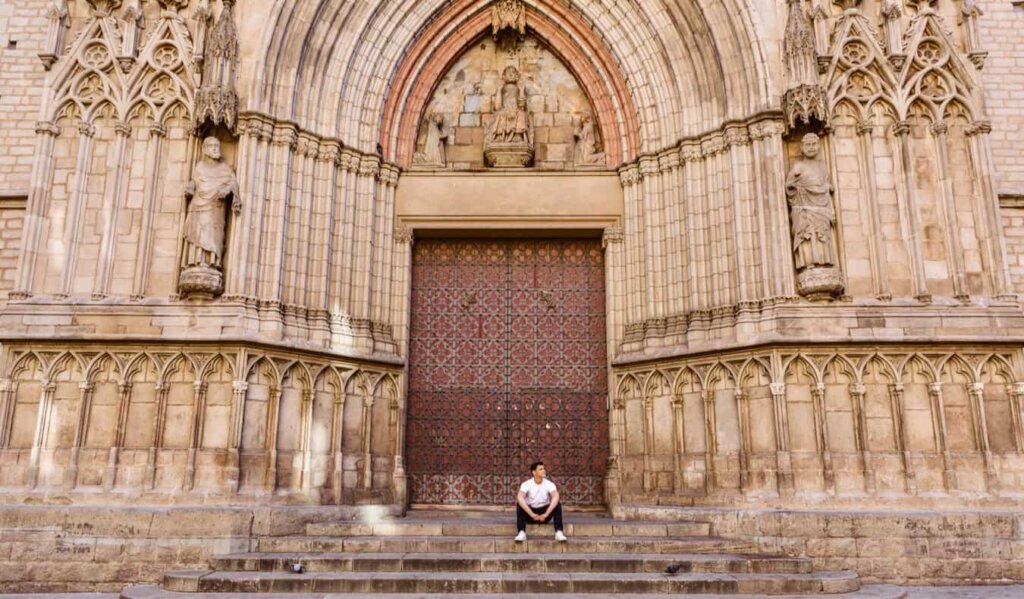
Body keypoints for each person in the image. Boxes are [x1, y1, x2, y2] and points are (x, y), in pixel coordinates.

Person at [515, 461, 567, 542]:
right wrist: (532, 514)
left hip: (545, 514)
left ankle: (559, 532)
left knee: (557, 504)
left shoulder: (549, 484)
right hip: (531, 515)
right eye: (540, 469)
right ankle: (521, 532)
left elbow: (556, 496)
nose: (544, 470)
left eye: (544, 468)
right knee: (520, 504)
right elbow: (520, 497)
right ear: (534, 472)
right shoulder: (526, 484)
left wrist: (546, 514)